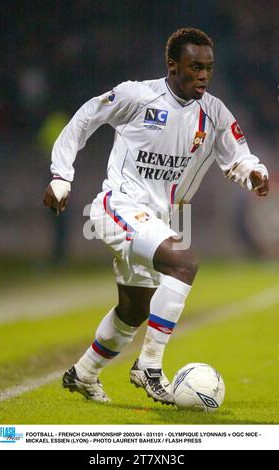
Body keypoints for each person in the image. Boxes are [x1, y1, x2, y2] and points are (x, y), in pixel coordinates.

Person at [43, 27, 269, 405]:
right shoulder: (137, 95)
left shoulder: (214, 113)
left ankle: (83, 373)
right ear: (172, 65)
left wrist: (253, 173)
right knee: (184, 263)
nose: (203, 76)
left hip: (167, 218)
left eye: (208, 69)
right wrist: (61, 175)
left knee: (135, 310)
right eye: (195, 67)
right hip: (120, 206)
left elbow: (238, 156)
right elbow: (85, 118)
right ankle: (149, 366)